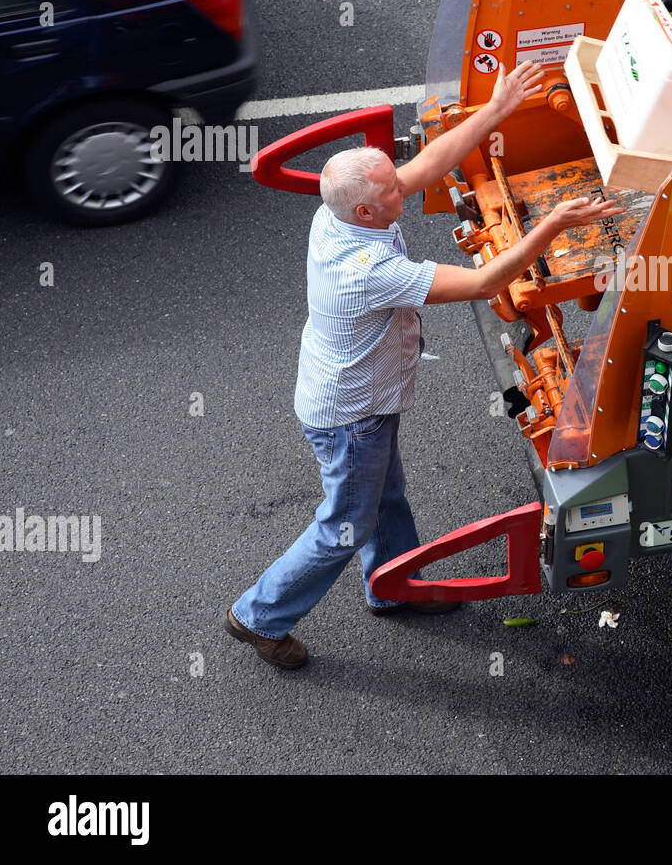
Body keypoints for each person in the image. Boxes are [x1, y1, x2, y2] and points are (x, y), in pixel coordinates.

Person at [225, 60, 624, 668]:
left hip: (353, 397)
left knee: (386, 497)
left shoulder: (334, 212)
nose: (402, 191)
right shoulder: (371, 272)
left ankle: (393, 586)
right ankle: (258, 615)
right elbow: (487, 279)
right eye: (391, 193)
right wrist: (552, 224)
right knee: (343, 526)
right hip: (351, 414)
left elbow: (424, 167)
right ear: (365, 212)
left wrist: (496, 110)